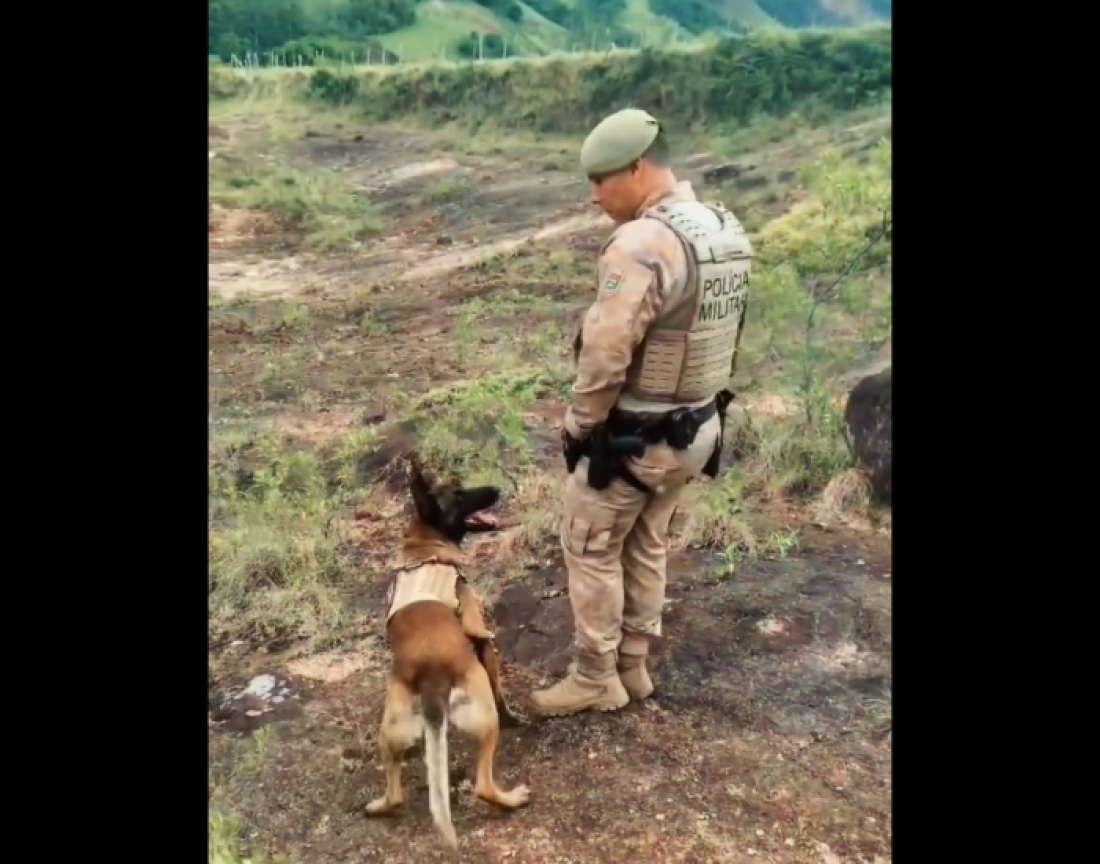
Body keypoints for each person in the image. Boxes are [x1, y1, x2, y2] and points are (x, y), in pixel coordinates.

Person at [530, 108, 753, 718]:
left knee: (591, 545)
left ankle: (595, 676)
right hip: (695, 425)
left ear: (637, 167)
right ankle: (633, 667)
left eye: (602, 179)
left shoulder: (642, 241)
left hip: (636, 435)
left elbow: (606, 350)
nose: (594, 193)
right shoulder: (720, 228)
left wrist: (580, 424)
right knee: (647, 542)